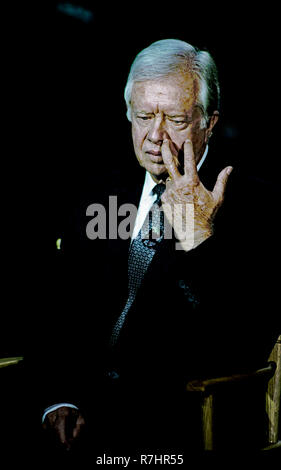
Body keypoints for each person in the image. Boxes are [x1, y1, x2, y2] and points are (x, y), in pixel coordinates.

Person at [34, 39, 278, 455]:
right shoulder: (101, 192)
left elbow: (239, 344)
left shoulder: (255, 204)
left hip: (182, 422)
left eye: (177, 120)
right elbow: (61, 306)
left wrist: (197, 236)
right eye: (144, 116)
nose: (154, 136)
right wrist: (61, 397)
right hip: (84, 413)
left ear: (209, 122)